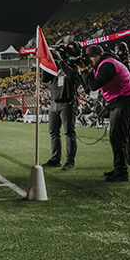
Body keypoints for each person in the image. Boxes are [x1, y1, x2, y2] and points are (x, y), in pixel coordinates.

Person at [79, 45, 130, 182]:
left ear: (100, 54)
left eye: (92, 56)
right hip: (119, 102)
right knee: (115, 137)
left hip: (125, 101)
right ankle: (119, 169)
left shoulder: (108, 64)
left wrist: (83, 70)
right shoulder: (103, 64)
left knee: (118, 137)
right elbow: (89, 86)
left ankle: (122, 172)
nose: (90, 60)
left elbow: (94, 85)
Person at [42, 42, 81, 170]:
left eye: (71, 47)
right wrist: (46, 62)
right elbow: (44, 79)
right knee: (53, 132)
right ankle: (55, 159)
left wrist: (61, 61)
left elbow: (72, 76)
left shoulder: (76, 63)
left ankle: (70, 161)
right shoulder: (57, 64)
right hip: (54, 102)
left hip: (68, 102)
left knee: (69, 132)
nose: (68, 49)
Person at [114, 42, 130, 166]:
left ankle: (129, 155)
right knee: (123, 128)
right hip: (122, 98)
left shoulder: (127, 64)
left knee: (128, 128)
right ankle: (125, 155)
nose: (117, 53)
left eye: (119, 50)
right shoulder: (122, 64)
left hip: (128, 98)